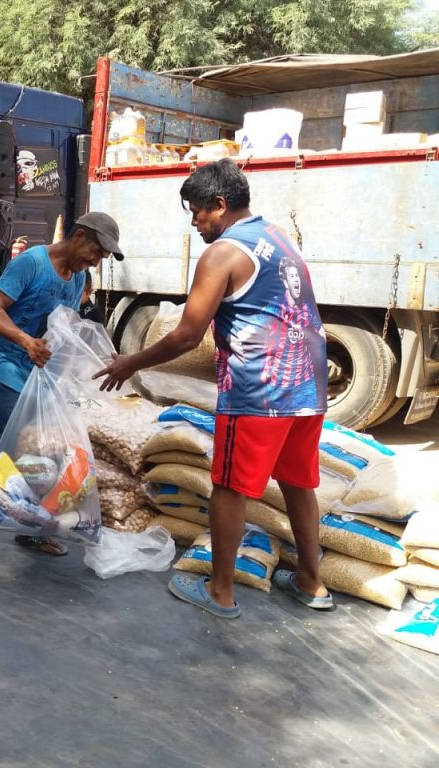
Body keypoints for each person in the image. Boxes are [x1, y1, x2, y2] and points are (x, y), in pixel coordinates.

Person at [94, 159, 330, 620]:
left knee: (227, 487)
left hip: (258, 390)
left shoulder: (222, 252)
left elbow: (187, 334)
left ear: (219, 206)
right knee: (298, 483)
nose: (195, 222)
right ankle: (312, 581)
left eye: (197, 212)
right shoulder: (278, 238)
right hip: (306, 385)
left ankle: (220, 592)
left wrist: (130, 363)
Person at [0, 212, 124, 555]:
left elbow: (63, 329)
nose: (97, 261)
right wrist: (27, 341)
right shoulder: (31, 263)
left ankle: (33, 525)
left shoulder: (76, 278)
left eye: (102, 257)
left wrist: (84, 363)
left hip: (41, 376)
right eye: (97, 251)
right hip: (7, 367)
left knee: (44, 451)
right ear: (79, 236)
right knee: (7, 445)